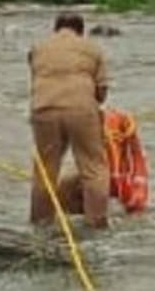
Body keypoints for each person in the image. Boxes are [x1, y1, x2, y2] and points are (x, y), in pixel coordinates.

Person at [28, 13, 110, 228]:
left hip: (43, 108)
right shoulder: (92, 48)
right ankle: (96, 224)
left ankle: (40, 223)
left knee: (45, 170)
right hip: (81, 110)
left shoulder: (38, 47)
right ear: (80, 30)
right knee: (93, 169)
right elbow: (101, 91)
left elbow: (35, 80)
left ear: (56, 29)